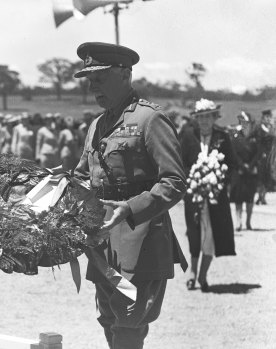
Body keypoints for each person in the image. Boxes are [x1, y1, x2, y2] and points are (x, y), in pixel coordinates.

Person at [69, 42, 187, 349]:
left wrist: (131, 208)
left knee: (129, 324)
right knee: (109, 319)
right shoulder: (97, 124)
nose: (93, 87)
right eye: (90, 81)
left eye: (100, 78)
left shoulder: (150, 120)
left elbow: (174, 181)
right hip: (104, 243)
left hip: (141, 238)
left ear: (124, 75)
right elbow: (83, 175)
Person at [179, 99, 236, 292]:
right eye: (200, 117)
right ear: (195, 119)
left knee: (212, 234)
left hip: (216, 196)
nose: (204, 121)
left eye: (207, 117)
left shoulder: (223, 137)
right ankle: (192, 272)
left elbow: (231, 164)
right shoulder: (187, 136)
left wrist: (219, 179)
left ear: (214, 118)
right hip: (193, 194)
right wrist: (193, 178)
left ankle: (203, 275)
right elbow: (180, 163)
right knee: (194, 233)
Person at [229, 111, 259, 231]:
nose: (245, 124)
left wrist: (250, 166)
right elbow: (234, 153)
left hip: (251, 171)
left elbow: (258, 153)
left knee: (250, 198)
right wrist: (242, 165)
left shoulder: (254, 138)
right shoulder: (236, 136)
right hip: (239, 171)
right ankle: (238, 221)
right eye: (242, 122)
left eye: (247, 122)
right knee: (238, 198)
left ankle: (248, 221)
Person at [254, 109, 274, 205]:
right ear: (262, 118)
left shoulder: (271, 128)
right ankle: (259, 196)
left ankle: (263, 196)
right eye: (266, 117)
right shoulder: (258, 128)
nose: (267, 119)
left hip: (269, 155)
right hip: (260, 154)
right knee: (260, 176)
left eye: (268, 117)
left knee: (267, 176)